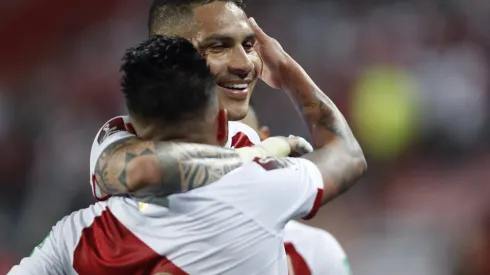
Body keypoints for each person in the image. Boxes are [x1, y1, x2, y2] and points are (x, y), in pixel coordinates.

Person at [9, 34, 364, 275]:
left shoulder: (77, 239)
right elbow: (347, 157)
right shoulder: (268, 191)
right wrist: (286, 73)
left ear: (132, 132)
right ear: (223, 129)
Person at [88, 1, 366, 274]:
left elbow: (349, 156)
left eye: (248, 45)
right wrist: (254, 158)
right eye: (218, 46)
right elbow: (140, 169)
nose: (244, 64)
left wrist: (285, 71)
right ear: (169, 57)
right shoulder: (123, 135)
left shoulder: (246, 142)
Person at [240, 104, 352, 275]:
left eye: (241, 144)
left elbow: (350, 159)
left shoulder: (316, 252)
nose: (230, 162)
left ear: (265, 142)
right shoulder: (186, 246)